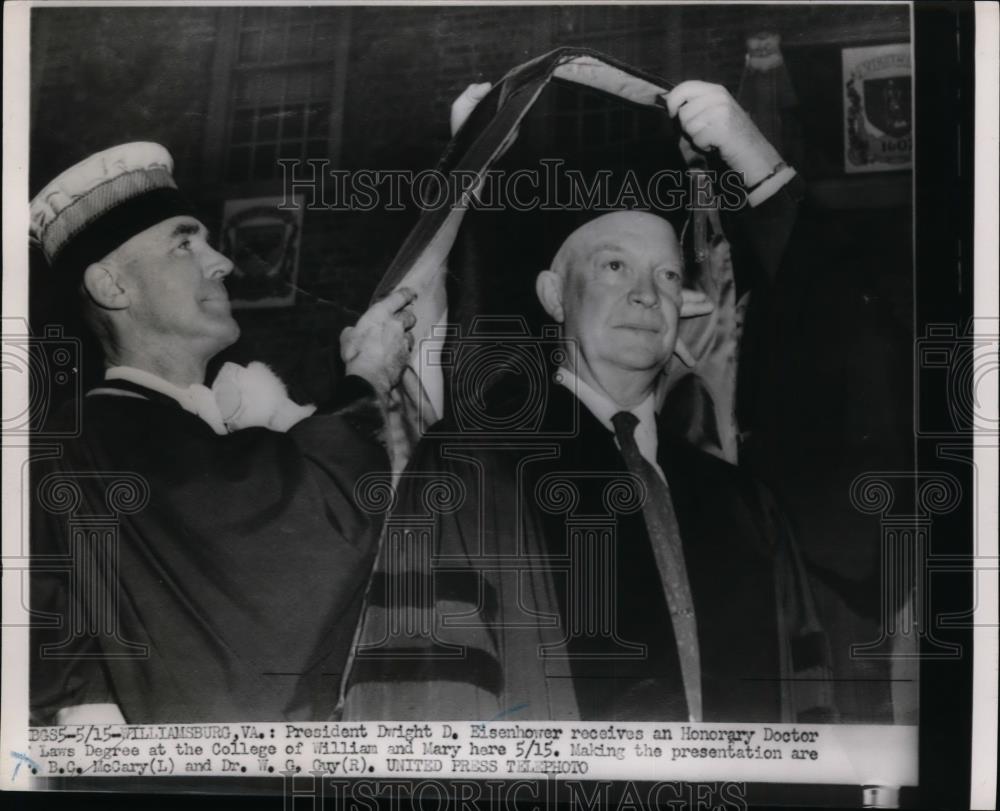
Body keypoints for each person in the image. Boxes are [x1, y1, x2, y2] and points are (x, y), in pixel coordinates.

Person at [340, 82, 833, 722]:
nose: (645, 295)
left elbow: (809, 709)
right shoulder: (470, 469)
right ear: (553, 295)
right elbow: (427, 698)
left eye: (666, 274)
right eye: (613, 267)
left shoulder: (745, 506)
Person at [28, 142, 417, 724]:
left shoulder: (144, 430)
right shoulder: (111, 431)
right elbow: (288, 551)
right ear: (112, 287)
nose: (223, 262)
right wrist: (366, 384)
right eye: (185, 243)